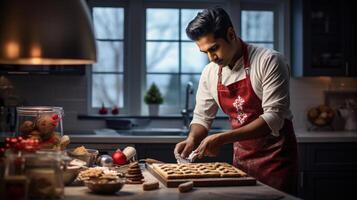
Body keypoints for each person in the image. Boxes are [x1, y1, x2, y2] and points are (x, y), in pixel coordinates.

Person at [174, 7, 298, 194]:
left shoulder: (269, 61)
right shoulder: (210, 73)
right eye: (205, 52)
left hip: (276, 161)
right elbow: (202, 117)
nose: (211, 57)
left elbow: (273, 118)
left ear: (231, 34)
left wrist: (223, 138)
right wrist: (192, 139)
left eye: (214, 48)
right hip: (241, 162)